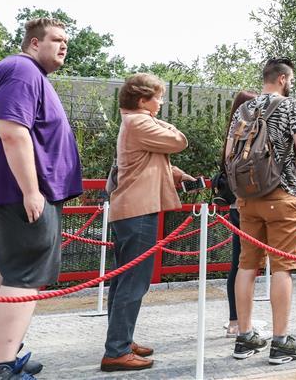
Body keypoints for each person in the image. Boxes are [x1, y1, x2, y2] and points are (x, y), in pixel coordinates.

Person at [0, 18, 83, 380]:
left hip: (12, 191)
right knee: (25, 275)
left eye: (66, 40)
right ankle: (2, 366)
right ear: (34, 43)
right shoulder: (22, 70)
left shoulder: (20, 71)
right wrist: (31, 191)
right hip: (22, 192)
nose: (63, 46)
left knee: (3, 271)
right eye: (56, 39)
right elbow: (12, 131)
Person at [100, 73, 195, 372]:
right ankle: (116, 350)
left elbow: (149, 159)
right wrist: (154, 118)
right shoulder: (139, 122)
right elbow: (179, 141)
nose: (161, 102)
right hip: (138, 211)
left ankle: (121, 341)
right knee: (134, 282)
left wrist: (175, 174)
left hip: (130, 211)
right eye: (158, 97)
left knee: (123, 280)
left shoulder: (135, 124)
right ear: (142, 100)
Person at [230, 58, 296, 365]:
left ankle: (244, 337)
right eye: (290, 79)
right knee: (282, 267)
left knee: (247, 266)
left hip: (247, 198)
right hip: (281, 194)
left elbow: (229, 152)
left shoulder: (243, 109)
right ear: (281, 79)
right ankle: (280, 342)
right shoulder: (291, 106)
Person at [224, 90, 258, 337]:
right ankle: (239, 322)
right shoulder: (245, 133)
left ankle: (237, 319)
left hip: (236, 204)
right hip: (246, 204)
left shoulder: (230, 135)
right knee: (244, 265)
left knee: (239, 264)